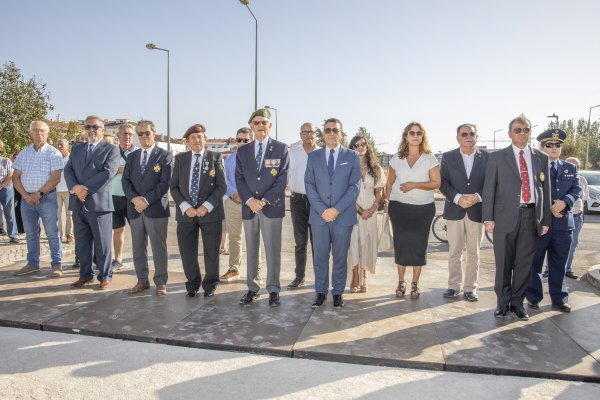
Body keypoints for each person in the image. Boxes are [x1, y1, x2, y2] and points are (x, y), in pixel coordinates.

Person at [482, 114, 551, 321]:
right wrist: (488, 217)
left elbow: (545, 191)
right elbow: (489, 189)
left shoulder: (541, 158)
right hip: (504, 217)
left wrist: (546, 220)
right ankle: (502, 303)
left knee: (524, 263)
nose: (522, 133)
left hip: (531, 216)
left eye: (526, 129)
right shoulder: (497, 157)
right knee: (503, 263)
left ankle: (517, 303)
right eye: (518, 130)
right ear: (510, 133)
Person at [305, 118, 361, 308]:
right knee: (320, 257)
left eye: (335, 130)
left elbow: (354, 187)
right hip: (319, 217)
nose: (331, 133)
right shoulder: (313, 157)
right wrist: (323, 210)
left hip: (342, 216)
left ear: (341, 134)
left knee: (340, 257)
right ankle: (320, 292)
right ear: (323, 133)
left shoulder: (352, 156)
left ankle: (338, 293)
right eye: (327, 130)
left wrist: (336, 210)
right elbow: (309, 185)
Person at [235, 108, 289, 306]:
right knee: (251, 249)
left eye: (264, 122)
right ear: (251, 126)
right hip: (249, 208)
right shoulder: (243, 151)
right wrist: (250, 200)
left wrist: (264, 201)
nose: (260, 126)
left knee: (273, 250)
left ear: (270, 125)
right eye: (256, 122)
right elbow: (239, 178)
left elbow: (282, 179)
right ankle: (252, 287)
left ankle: (273, 289)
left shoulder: (281, 149)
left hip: (271, 207)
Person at [526, 129, 581, 313]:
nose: (554, 148)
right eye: (549, 145)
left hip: (564, 225)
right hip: (541, 224)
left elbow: (576, 189)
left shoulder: (570, 168)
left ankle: (559, 299)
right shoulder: (534, 167)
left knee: (559, 263)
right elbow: (531, 191)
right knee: (535, 262)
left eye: (557, 145)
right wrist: (551, 207)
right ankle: (533, 297)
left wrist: (564, 203)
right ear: (541, 147)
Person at [384, 122, 440, 300]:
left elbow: (436, 183)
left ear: (422, 136)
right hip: (399, 207)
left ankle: (415, 283)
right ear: (406, 136)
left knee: (419, 245)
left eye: (419, 133)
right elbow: (389, 183)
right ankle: (401, 281)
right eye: (412, 133)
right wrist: (386, 203)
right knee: (401, 244)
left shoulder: (429, 158)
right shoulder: (396, 158)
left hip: (423, 209)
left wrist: (414, 185)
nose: (415, 136)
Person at [64, 116, 120, 289]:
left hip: (99, 204)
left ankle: (105, 275)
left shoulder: (111, 149)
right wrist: (75, 187)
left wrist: (85, 189)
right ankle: (85, 275)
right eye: (88, 127)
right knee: (82, 243)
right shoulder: (77, 148)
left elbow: (108, 172)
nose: (91, 130)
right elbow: (68, 170)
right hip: (78, 203)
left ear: (102, 130)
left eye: (95, 127)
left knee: (102, 244)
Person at [170, 124, 226, 298]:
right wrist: (185, 207)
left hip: (210, 213)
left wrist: (205, 206)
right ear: (187, 142)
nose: (196, 140)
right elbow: (174, 187)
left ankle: (210, 284)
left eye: (200, 137)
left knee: (211, 252)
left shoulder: (215, 157)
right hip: (186, 214)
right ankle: (192, 283)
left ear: (205, 140)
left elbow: (221, 186)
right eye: (193, 137)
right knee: (187, 252)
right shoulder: (180, 159)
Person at [440, 124, 489, 302]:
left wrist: (477, 197)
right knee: (455, 251)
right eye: (464, 134)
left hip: (477, 211)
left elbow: (492, 182)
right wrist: (458, 198)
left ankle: (470, 288)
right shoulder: (448, 157)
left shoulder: (488, 157)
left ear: (477, 136)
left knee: (474, 252)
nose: (468, 136)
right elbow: (443, 183)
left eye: (472, 133)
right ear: (458, 138)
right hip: (455, 210)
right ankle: (454, 286)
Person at [122, 120, 172, 295]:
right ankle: (142, 281)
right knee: (138, 247)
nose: (144, 136)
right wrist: (135, 199)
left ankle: (161, 282)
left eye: (147, 133)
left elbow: (164, 183)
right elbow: (125, 181)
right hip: (135, 209)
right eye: (140, 134)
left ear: (154, 134)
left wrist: (146, 200)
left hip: (156, 209)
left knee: (158, 248)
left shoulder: (165, 156)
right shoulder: (132, 157)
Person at [12, 121, 63, 276]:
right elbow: (15, 177)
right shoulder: (24, 153)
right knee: (30, 233)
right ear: (30, 133)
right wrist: (26, 196)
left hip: (47, 198)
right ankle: (33, 263)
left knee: (52, 232)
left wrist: (38, 194)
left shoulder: (54, 153)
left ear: (47, 133)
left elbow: (55, 178)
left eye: (42, 130)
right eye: (35, 130)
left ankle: (57, 265)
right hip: (27, 200)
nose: (38, 133)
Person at [220, 128, 264, 282]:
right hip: (233, 203)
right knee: (234, 238)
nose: (242, 143)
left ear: (252, 140)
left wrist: (249, 197)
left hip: (252, 204)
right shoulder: (229, 160)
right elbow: (224, 181)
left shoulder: (259, 159)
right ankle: (234, 269)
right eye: (239, 140)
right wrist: (233, 193)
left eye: (246, 140)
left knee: (253, 238)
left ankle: (256, 272)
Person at [347, 135, 384, 293]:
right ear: (352, 148)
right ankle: (355, 276)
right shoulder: (347, 167)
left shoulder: (376, 168)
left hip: (371, 211)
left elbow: (379, 192)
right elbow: (346, 193)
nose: (360, 147)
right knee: (353, 243)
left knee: (367, 244)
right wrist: (361, 211)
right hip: (352, 211)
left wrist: (372, 209)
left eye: (363, 144)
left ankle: (365, 275)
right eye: (356, 145)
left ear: (367, 147)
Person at [286, 122, 320, 289]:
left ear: (316, 134)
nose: (308, 135)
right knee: (300, 242)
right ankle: (299, 277)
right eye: (305, 132)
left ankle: (320, 279)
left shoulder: (322, 153)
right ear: (300, 135)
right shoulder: (292, 153)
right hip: (297, 201)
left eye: (311, 132)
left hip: (317, 203)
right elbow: (286, 174)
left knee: (318, 242)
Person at [111, 123, 139, 271]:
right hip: (114, 196)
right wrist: (126, 169)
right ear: (118, 136)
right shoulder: (112, 152)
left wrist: (118, 169)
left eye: (130, 134)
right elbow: (107, 171)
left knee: (138, 231)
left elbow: (139, 171)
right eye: (124, 133)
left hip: (132, 197)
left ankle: (139, 261)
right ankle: (118, 259)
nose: (127, 136)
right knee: (118, 229)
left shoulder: (139, 153)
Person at [563, 156, 588, 279]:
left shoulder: (582, 180)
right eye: (572, 165)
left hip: (577, 217)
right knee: (555, 244)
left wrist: (582, 214)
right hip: (562, 216)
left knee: (572, 244)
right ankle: (549, 269)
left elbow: (585, 198)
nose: (574, 168)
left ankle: (567, 268)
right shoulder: (559, 178)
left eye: (577, 166)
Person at [0, 138, 20, 244]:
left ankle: (13, 235)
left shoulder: (6, 160)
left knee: (9, 211)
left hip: (6, 186)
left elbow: (11, 175)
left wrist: (1, 185)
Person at [55, 139, 74, 245]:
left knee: (69, 214)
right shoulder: (55, 158)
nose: (60, 147)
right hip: (56, 190)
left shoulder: (72, 158)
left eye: (62, 145)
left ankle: (69, 235)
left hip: (68, 190)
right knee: (57, 215)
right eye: (58, 145)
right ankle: (59, 235)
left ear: (67, 146)